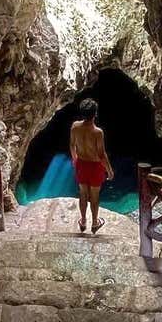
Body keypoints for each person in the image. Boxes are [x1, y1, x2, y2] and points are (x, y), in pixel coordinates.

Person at [70, 98, 114, 234]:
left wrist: (74, 159)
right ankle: (95, 223)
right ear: (95, 114)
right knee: (94, 196)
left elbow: (72, 145)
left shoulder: (75, 126)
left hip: (81, 164)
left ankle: (83, 221)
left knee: (83, 194)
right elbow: (101, 154)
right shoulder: (97, 132)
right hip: (95, 166)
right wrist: (109, 170)